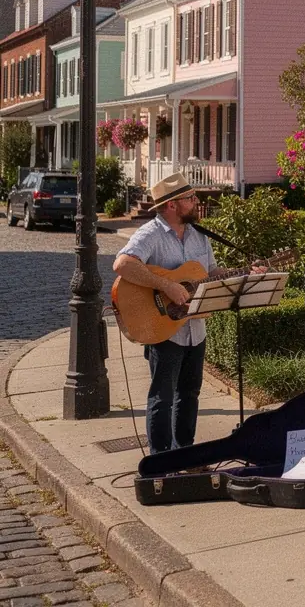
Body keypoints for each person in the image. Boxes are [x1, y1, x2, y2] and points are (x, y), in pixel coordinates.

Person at [112, 172, 258, 454]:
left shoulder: (199, 235)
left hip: (195, 329)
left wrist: (245, 272)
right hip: (164, 330)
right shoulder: (150, 234)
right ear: (172, 205)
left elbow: (211, 272)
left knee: (189, 395)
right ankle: (160, 460)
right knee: (162, 398)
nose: (196, 202)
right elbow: (122, 264)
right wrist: (166, 285)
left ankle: (185, 453)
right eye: (190, 198)